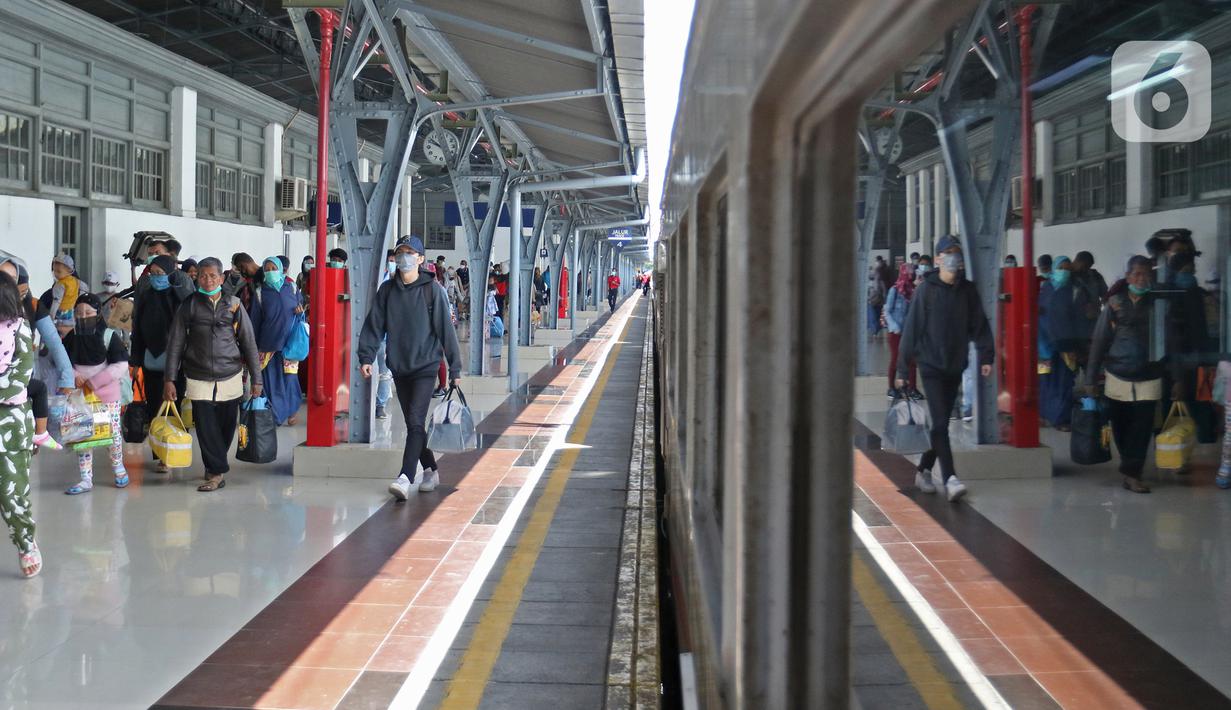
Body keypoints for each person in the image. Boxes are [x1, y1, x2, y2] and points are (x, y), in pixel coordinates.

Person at [357, 236, 461, 500]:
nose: (404, 257)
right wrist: (366, 357)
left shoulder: (432, 291)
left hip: (426, 367)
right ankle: (431, 469)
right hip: (400, 367)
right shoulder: (388, 291)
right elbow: (374, 325)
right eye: (400, 252)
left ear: (421, 259)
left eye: (410, 252)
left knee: (415, 421)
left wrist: (455, 369)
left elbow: (446, 332)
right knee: (414, 424)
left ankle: (405, 477)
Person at [896, 236, 994, 503]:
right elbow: (911, 330)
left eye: (956, 252)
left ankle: (924, 469)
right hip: (931, 365)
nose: (953, 257)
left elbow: (980, 326)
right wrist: (903, 371)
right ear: (938, 258)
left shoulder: (968, 291)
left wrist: (987, 355)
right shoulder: (926, 291)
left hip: (955, 365)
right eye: (947, 253)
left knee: (940, 425)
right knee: (940, 422)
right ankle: (950, 477)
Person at [1082, 256, 1182, 493]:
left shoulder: (1159, 305)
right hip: (1118, 376)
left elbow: (1172, 344)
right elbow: (1099, 341)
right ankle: (1129, 465)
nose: (1141, 278)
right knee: (1120, 426)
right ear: (1128, 277)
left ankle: (1132, 472)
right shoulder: (1115, 304)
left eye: (1146, 274)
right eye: (1137, 274)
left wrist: (1177, 378)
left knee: (1142, 427)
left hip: (1149, 376)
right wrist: (1090, 379)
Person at [163, 258, 263, 493]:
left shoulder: (234, 304)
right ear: (196, 277)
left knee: (227, 425)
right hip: (198, 375)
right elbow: (175, 343)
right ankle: (216, 472)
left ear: (221, 278)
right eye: (203, 276)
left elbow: (249, 343)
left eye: (212, 276)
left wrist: (257, 379)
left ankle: (215, 464)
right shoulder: (188, 305)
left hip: (230, 374)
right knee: (206, 425)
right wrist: (169, 378)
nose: (207, 280)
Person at [0, 256, 71, 453]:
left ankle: (37, 436)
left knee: (21, 448)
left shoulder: (32, 305)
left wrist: (67, 378)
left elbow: (55, 343)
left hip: (20, 386)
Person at [63, 294, 129, 495]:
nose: (83, 316)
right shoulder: (72, 337)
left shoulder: (109, 335)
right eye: (79, 313)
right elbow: (64, 362)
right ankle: (85, 479)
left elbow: (120, 365)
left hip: (106, 396)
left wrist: (94, 382)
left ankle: (118, 468)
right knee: (82, 435)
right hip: (80, 397)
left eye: (88, 312)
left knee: (111, 434)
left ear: (98, 313)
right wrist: (74, 376)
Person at [129, 255, 188, 473]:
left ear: (170, 273)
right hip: (151, 361)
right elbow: (137, 332)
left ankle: (175, 451)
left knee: (175, 407)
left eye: (160, 274)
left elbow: (186, 330)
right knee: (156, 409)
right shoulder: (145, 297)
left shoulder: (178, 297)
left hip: (176, 362)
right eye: (152, 274)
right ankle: (161, 453)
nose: (155, 278)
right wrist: (135, 361)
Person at [0, 271, 40, 577]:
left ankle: (26, 543)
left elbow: (18, 380)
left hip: (9, 425)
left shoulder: (20, 330)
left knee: (11, 494)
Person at [249, 257, 303, 426]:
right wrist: (254, 346)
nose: (271, 271)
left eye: (274, 268)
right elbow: (255, 321)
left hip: (290, 343)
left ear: (281, 270)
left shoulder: (292, 288)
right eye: (268, 269)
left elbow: (302, 313)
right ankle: (277, 415)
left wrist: (300, 312)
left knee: (290, 380)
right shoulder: (260, 292)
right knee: (271, 381)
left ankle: (292, 410)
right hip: (268, 344)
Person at [1038, 257, 1082, 431]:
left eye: (1067, 268)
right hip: (1045, 344)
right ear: (1054, 269)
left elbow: (1077, 319)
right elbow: (1039, 315)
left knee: (1064, 382)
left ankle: (1061, 419)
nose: (1064, 271)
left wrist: (1075, 345)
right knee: (1046, 382)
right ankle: (1045, 415)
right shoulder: (1045, 288)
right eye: (1060, 268)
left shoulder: (1074, 290)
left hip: (1066, 343)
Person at [883, 263, 920, 400]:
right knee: (895, 359)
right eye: (909, 272)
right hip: (895, 332)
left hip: (909, 332)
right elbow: (887, 310)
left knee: (911, 360)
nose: (911, 275)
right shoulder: (895, 290)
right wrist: (894, 327)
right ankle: (891, 388)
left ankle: (912, 388)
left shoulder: (914, 290)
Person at [373, 250, 397, 420]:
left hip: (388, 335)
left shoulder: (398, 282)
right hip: (372, 331)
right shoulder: (374, 278)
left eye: (394, 261)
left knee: (385, 371)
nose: (392, 263)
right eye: (389, 260)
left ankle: (380, 405)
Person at [47, 254, 88, 329]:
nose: (56, 274)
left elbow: (56, 302)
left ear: (70, 270)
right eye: (54, 271)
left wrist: (51, 318)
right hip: (72, 313)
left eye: (59, 272)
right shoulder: (76, 281)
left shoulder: (60, 285)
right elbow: (85, 289)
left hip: (60, 314)